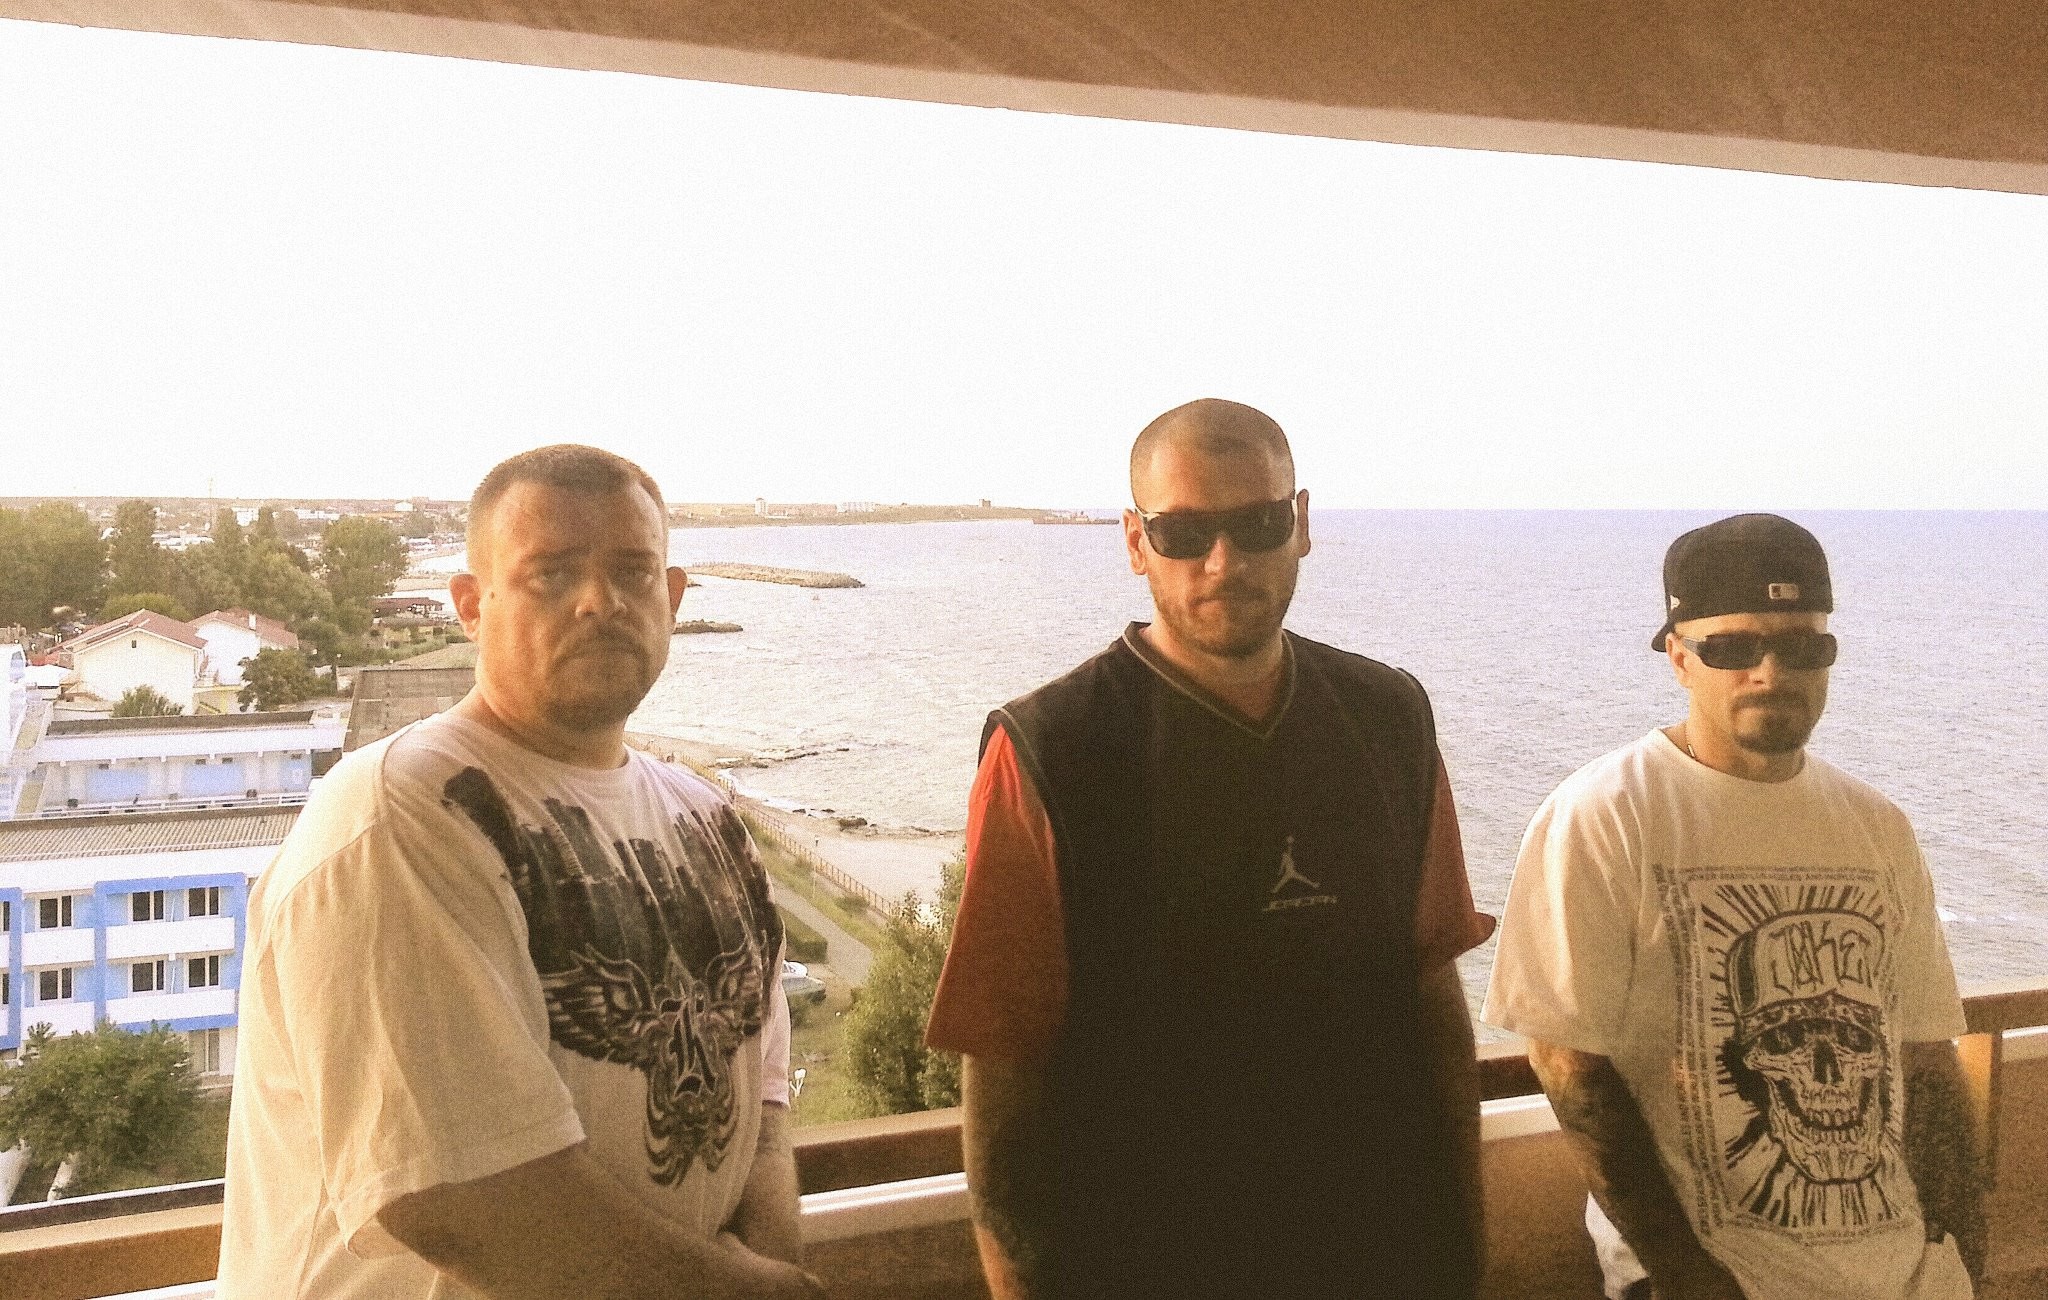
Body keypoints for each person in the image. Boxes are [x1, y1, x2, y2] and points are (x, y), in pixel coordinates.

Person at [218, 446, 822, 1300]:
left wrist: (771, 1265)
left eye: (632, 571)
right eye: (551, 574)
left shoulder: (710, 821)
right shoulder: (399, 819)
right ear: (472, 605)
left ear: (673, 598)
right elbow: (470, 1204)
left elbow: (762, 1109)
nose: (599, 601)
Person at [925, 398, 1496, 1299]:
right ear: (1135, 541)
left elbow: (1432, 996)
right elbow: (1003, 1073)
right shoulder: (1051, 751)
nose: (1224, 561)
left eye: (1257, 524)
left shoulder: (1389, 718)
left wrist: (1464, 1257)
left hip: (1385, 1255)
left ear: (1299, 524)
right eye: (1184, 533)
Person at [1484, 513, 1986, 1300]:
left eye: (1802, 647)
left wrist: (1956, 1256)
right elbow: (1569, 1064)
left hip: (1908, 1279)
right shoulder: (1605, 814)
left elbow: (1924, 1055)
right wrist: (1688, 1277)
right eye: (1732, 648)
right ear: (1680, 659)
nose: (1769, 672)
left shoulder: (1878, 826)